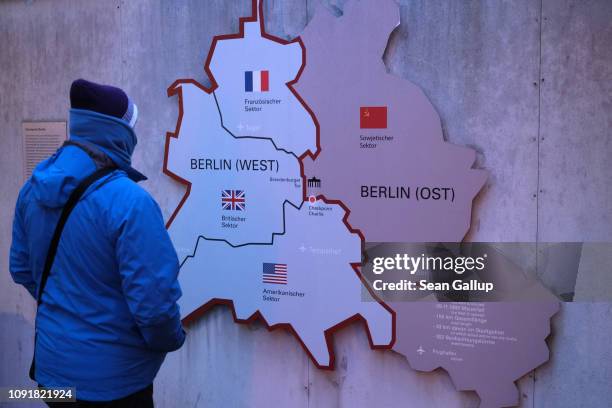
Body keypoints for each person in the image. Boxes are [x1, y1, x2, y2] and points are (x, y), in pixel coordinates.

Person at [9, 79, 185, 407]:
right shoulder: (130, 202)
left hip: (52, 376)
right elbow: (156, 307)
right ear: (117, 133)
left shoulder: (31, 190)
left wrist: (71, 305)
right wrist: (171, 341)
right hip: (115, 384)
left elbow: (20, 268)